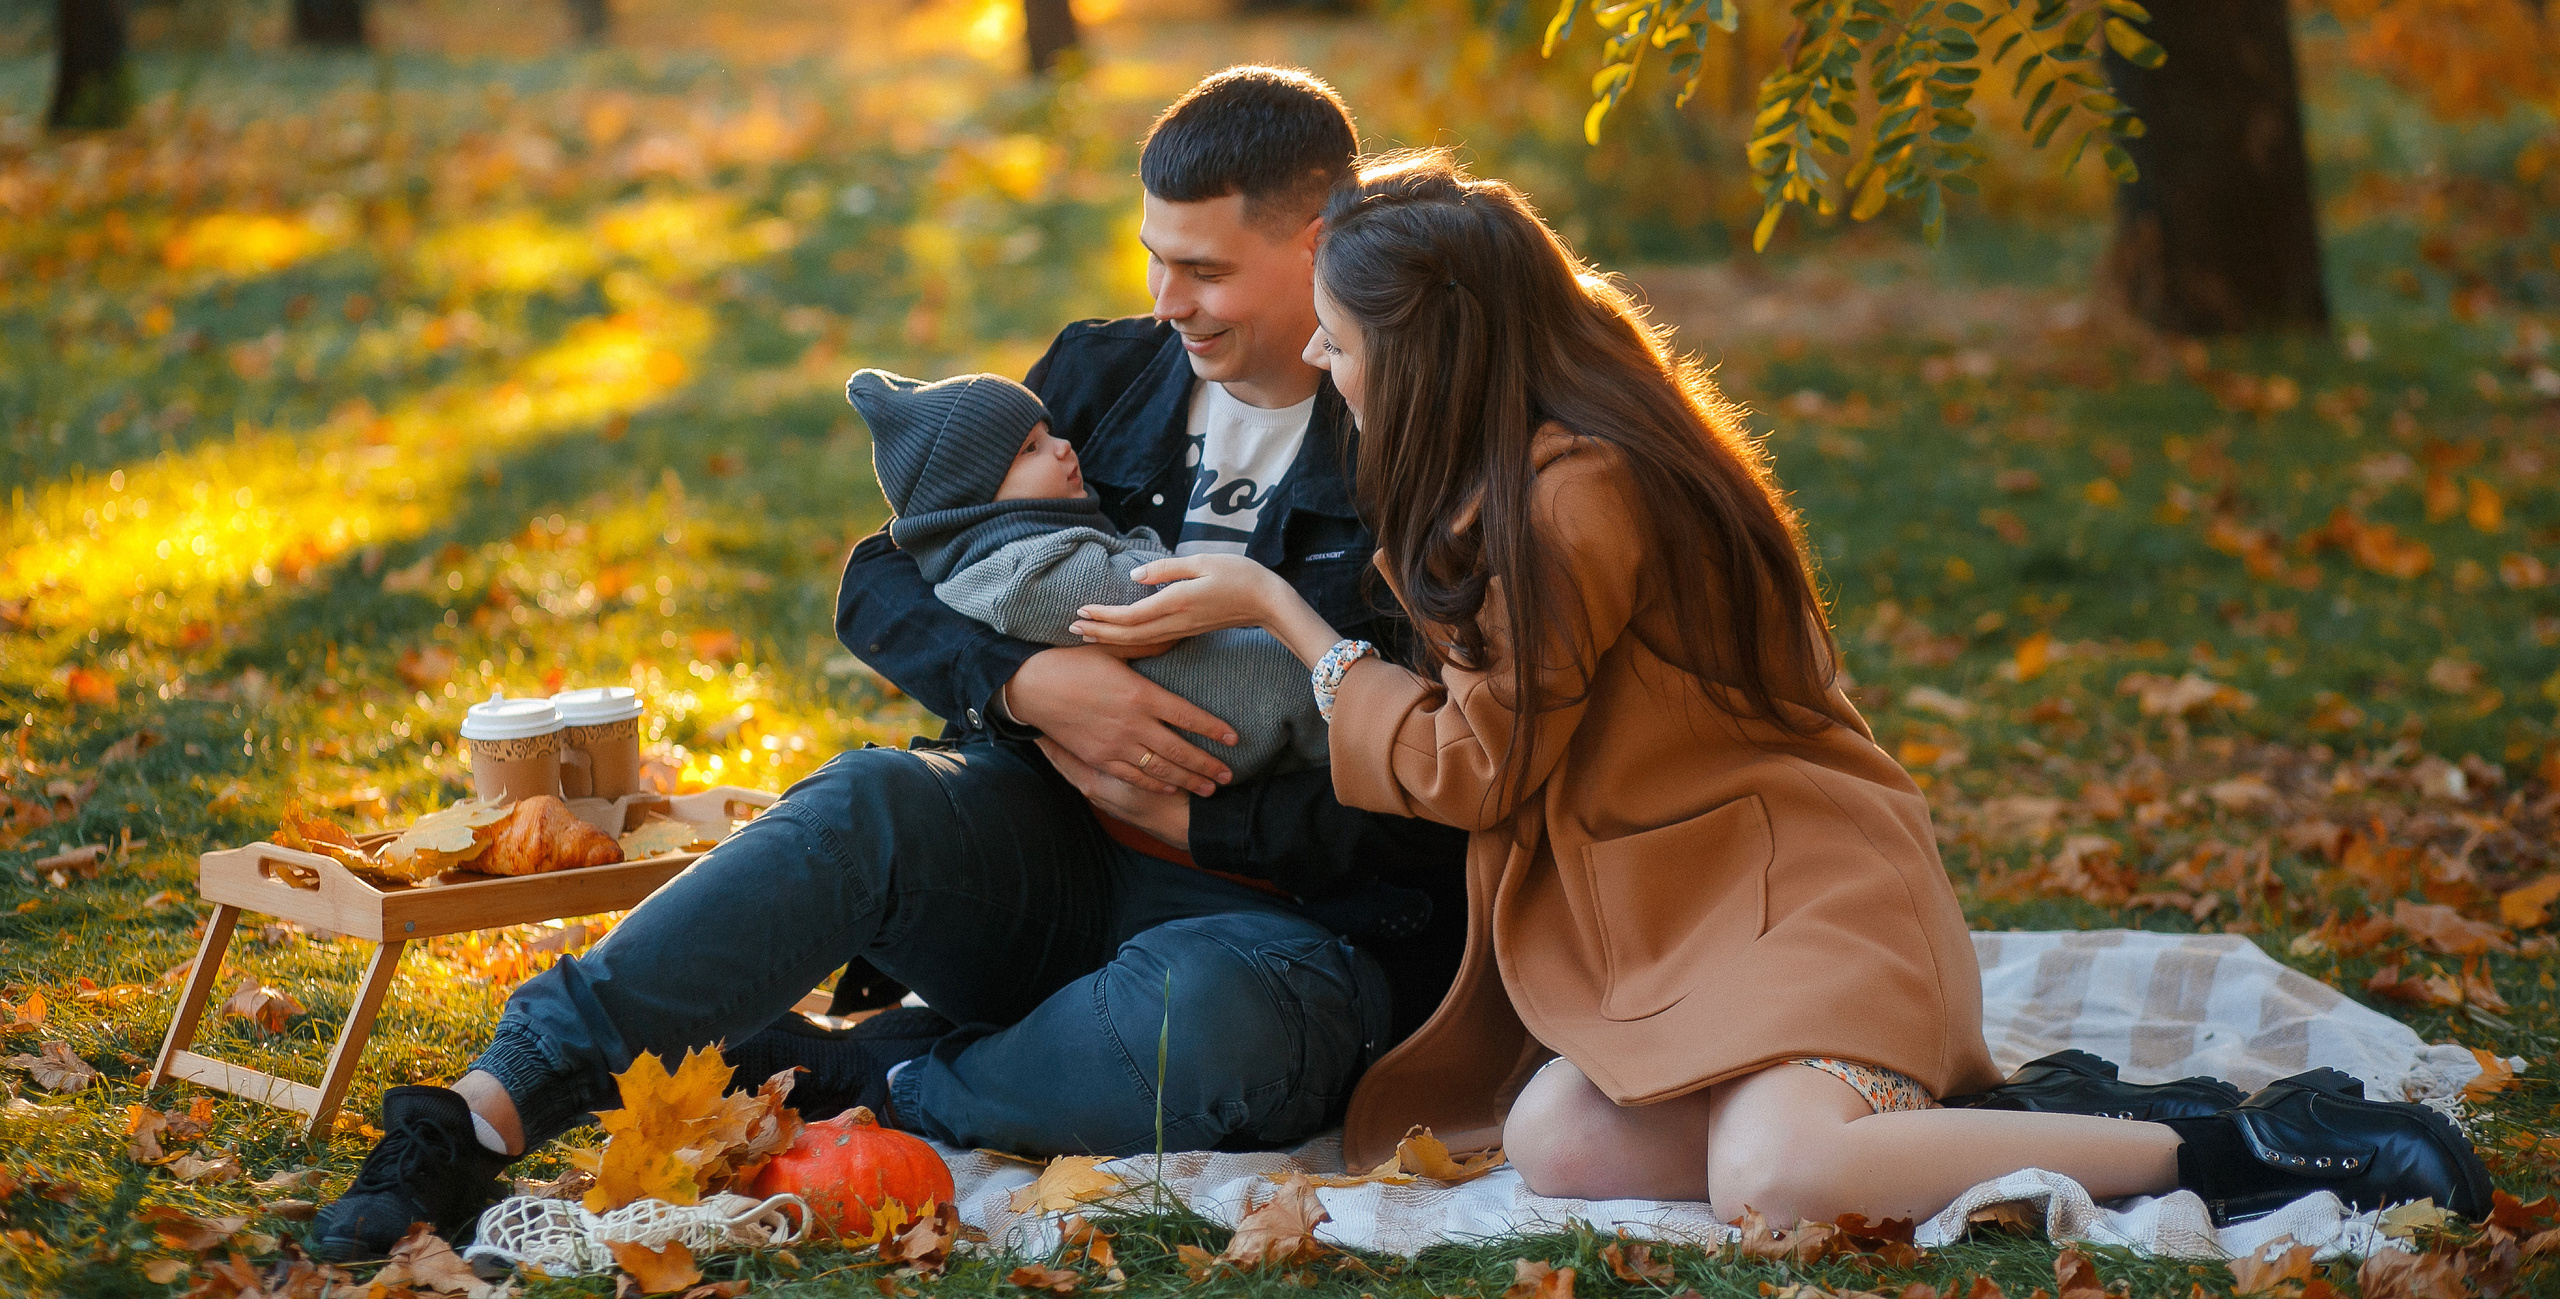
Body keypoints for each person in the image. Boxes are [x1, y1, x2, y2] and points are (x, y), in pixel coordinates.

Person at [1069, 153, 2493, 1227]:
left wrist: (1285, 616)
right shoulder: (1539, 456)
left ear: (1430, 345)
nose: (1319, 358)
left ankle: (2248, 1147)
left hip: (1797, 889)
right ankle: (2063, 1111)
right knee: (1561, 1139)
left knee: (1779, 1174)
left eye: (1338, 333)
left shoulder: (1574, 497)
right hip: (1685, 905)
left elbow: (1470, 770)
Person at [311, 67, 1468, 1262]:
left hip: (1282, 935)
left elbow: (1452, 788)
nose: (1170, 301)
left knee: (1218, 1029)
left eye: (1208, 270)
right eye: (1152, 258)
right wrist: (1023, 688)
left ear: (1319, 242)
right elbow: (890, 571)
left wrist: (1196, 822)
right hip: (1045, 855)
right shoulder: (1110, 372)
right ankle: (483, 1112)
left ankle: (882, 1072)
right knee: (867, 799)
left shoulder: (1420, 433)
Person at [842, 366, 1326, 779]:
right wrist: (1019, 683)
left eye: (1047, 433)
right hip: (1236, 720)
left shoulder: (1030, 534)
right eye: (1031, 449)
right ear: (973, 495)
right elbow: (1138, 603)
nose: (1063, 446)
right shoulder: (1018, 569)